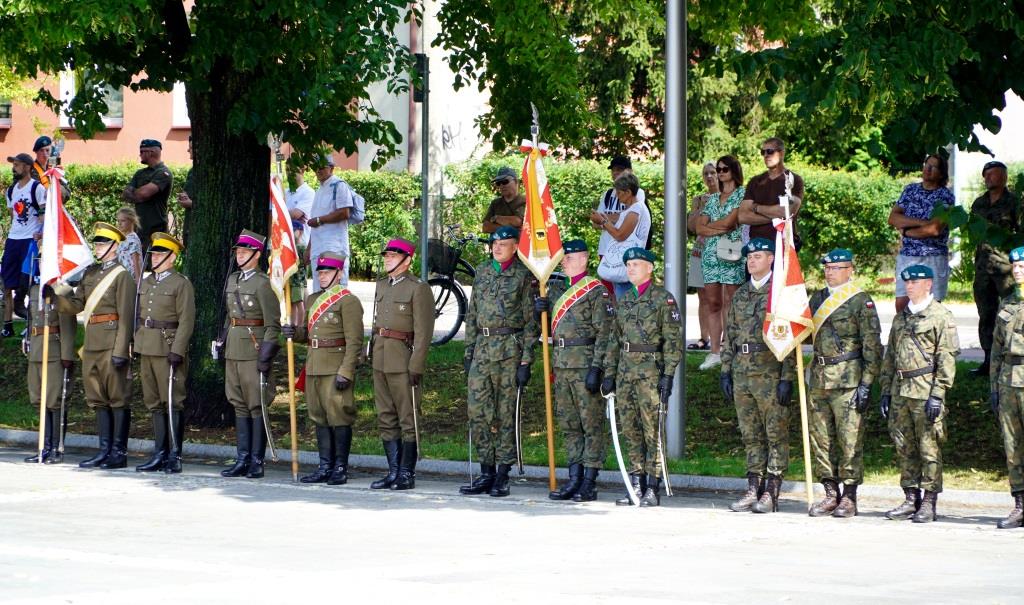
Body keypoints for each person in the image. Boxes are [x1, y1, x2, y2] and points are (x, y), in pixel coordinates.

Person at [460, 226, 539, 498]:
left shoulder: (523, 275)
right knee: (478, 412)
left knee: (506, 414)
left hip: (509, 350)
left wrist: (526, 362)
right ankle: (486, 471)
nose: (496, 247)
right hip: (482, 349)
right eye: (494, 243)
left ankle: (503, 474)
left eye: (503, 243)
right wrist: (469, 352)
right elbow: (472, 314)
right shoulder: (482, 271)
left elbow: (531, 323)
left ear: (515, 247)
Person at [720, 238, 796, 514]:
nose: (752, 261)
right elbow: (729, 334)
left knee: (775, 433)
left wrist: (787, 377)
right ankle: (753, 488)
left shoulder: (781, 293)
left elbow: (790, 338)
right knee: (750, 434)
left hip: (770, 372)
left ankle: (772, 491)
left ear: (771, 259)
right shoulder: (741, 293)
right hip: (742, 372)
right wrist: (725, 370)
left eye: (758, 257)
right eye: (749, 258)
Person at [534, 239, 614, 502]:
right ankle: (574, 477)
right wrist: (539, 313)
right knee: (569, 424)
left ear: (584, 259)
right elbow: (547, 329)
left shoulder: (595, 291)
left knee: (591, 425)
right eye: (563, 258)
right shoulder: (557, 290)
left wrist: (597, 368)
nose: (564, 262)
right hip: (562, 365)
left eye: (569, 258)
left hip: (584, 365)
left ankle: (589, 480)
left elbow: (605, 333)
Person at [603, 247, 682, 507]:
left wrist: (668, 374)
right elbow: (614, 340)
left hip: (651, 372)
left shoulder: (662, 299)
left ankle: (653, 485)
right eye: (628, 265)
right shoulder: (624, 300)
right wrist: (609, 373)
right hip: (625, 373)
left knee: (652, 430)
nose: (631, 269)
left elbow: (672, 341)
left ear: (649, 268)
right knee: (631, 429)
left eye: (636, 264)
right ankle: (635, 483)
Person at [879, 264, 959, 523]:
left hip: (925, 390)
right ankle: (910, 497)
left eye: (915, 282)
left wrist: (938, 394)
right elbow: (890, 356)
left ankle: (929, 500)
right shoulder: (901, 317)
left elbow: (946, 358)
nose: (909, 286)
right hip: (900, 390)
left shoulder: (940, 316)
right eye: (907, 282)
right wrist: (886, 391)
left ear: (928, 284)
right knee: (904, 445)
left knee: (929, 446)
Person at [52, 223, 136, 469]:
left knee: (117, 398)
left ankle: (118, 453)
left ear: (114, 247)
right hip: (92, 343)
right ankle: (103, 450)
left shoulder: (122, 276)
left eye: (102, 244)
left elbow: (126, 316)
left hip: (111, 343)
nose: (97, 248)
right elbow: (77, 305)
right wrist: (55, 296)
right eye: (97, 244)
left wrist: (121, 350)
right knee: (97, 398)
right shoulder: (90, 273)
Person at [806, 249, 883, 517]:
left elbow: (872, 345)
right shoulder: (817, 298)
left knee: (850, 440)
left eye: (836, 268)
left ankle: (849, 496)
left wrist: (867, 383)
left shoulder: (860, 301)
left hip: (848, 379)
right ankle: (830, 494)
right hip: (819, 378)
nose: (830, 272)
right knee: (821, 439)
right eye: (827, 268)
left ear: (850, 270)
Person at [282, 252, 363, 485]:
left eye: (327, 272)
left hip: (335, 367)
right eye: (320, 272)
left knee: (339, 416)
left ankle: (340, 467)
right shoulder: (313, 299)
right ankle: (325, 466)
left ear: (339, 273)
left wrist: (346, 371)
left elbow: (354, 342)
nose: (323, 276)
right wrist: (294, 332)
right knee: (319, 417)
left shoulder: (348, 301)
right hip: (314, 365)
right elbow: (309, 334)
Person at [367, 238, 434, 491]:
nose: (388, 259)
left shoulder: (418, 288)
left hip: (403, 361)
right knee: (385, 416)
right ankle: (393, 471)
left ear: (407, 260)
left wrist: (416, 365)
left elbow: (423, 332)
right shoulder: (382, 285)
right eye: (386, 255)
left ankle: (406, 473)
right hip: (381, 359)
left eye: (393, 256)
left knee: (408, 418)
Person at [218, 230, 281, 480]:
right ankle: (242, 458)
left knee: (256, 405)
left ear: (256, 255)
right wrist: (222, 339)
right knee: (238, 403)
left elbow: (273, 324)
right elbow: (230, 315)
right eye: (238, 251)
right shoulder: (233, 279)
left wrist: (266, 354)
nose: (240, 255)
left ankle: (256, 460)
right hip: (234, 348)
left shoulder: (263, 284)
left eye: (245, 251)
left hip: (253, 350)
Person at [133, 233, 195, 474]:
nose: (155, 258)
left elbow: (186, 320)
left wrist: (178, 349)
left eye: (160, 254)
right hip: (147, 346)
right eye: (154, 254)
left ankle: (174, 454)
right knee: (153, 401)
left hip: (167, 348)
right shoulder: (147, 282)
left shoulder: (181, 284)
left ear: (172, 258)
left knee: (172, 401)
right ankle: (159, 453)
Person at [22, 257, 77, 463]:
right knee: (38, 398)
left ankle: (56, 448)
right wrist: (27, 340)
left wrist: (67, 354)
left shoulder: (63, 291)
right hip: (37, 350)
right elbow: (31, 321)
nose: (42, 264)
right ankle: (43, 446)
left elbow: (68, 326)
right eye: (41, 261)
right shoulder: (35, 290)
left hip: (54, 351)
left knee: (55, 400)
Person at [695, 155, 746, 371]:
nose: (721, 173)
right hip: (710, 254)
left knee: (732, 302)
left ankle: (731, 349)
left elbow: (730, 223)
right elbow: (699, 227)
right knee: (713, 302)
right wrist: (720, 228)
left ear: (734, 171)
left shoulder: (742, 194)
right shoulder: (713, 198)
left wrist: (713, 227)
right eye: (719, 169)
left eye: (725, 169)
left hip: (732, 251)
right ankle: (714, 352)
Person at [887, 154, 956, 313]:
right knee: (902, 304)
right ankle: (905, 330)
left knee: (931, 307)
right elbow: (893, 218)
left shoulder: (945, 196)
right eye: (926, 164)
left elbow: (934, 230)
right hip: (908, 255)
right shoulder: (910, 190)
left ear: (941, 173)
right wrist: (923, 222)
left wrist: (906, 231)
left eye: (933, 167)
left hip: (933, 257)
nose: (928, 169)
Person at [970, 160, 1020, 377]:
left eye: (994, 174)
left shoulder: (1015, 203)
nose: (989, 178)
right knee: (986, 313)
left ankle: (1012, 357)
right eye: (987, 174)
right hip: (983, 268)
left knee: (1012, 313)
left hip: (1006, 269)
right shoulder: (978, 204)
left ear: (1004, 177)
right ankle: (988, 360)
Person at [991, 246, 1024, 529]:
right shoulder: (1007, 303)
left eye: (1022, 266)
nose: (1017, 270)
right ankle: (1020, 504)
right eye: (1015, 266)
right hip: (1008, 381)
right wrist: (994, 387)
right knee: (1012, 446)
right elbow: (996, 350)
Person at [591, 155, 648, 294]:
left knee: (624, 297)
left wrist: (603, 221)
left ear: (628, 192)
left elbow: (620, 235)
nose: (616, 195)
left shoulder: (636, 209)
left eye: (619, 192)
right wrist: (608, 220)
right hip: (614, 254)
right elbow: (599, 223)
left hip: (628, 258)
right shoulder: (630, 209)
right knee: (614, 294)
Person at [4, 152, 46, 337]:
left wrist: (41, 233)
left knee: (28, 283)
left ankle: (31, 325)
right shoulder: (10, 190)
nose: (14, 168)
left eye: (17, 165)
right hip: (13, 240)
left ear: (28, 167)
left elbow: (44, 214)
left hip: (30, 241)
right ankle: (7, 326)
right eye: (13, 165)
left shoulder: (37, 188)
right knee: (6, 283)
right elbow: (13, 215)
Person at [738, 137, 805, 245]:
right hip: (756, 244)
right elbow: (742, 216)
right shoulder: (755, 181)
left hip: (784, 243)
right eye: (763, 152)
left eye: (770, 151)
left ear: (781, 153)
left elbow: (787, 211)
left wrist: (756, 208)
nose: (765, 155)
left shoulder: (794, 180)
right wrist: (776, 219)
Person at [686, 162, 719, 351]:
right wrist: (702, 208)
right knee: (703, 297)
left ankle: (722, 338)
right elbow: (692, 226)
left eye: (713, 172)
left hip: (721, 250)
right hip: (700, 249)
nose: (709, 176)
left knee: (721, 296)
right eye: (706, 173)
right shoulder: (698, 199)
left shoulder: (729, 197)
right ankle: (704, 337)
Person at [307, 156, 353, 292]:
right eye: (316, 167)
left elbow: (344, 212)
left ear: (331, 168)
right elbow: (313, 224)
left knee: (335, 290)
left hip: (334, 248)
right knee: (318, 291)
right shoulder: (319, 190)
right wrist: (309, 248)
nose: (318, 170)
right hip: (317, 248)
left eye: (322, 167)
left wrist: (319, 220)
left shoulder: (339, 185)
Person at [123, 139, 173, 249]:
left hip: (157, 229)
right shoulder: (139, 173)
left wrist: (136, 193)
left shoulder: (163, 173)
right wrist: (139, 195)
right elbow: (126, 194)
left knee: (155, 259)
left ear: (151, 152)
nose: (139, 155)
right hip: (139, 229)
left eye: (142, 152)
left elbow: (143, 194)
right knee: (139, 259)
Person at [481, 166, 526, 234]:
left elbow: (518, 221)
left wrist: (496, 218)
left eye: (505, 182)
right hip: (497, 241)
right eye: (498, 183)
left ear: (516, 181)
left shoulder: (525, 201)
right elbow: (485, 227)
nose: (501, 186)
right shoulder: (495, 203)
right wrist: (511, 229)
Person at [29, 135, 70, 201]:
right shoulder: (31, 170)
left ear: (51, 150)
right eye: (41, 150)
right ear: (36, 152)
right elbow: (36, 195)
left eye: (47, 150)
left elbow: (68, 193)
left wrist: (60, 189)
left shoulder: (54, 167)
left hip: (56, 206)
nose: (45, 154)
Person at [286, 164, 315, 248]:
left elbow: (295, 214)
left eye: (292, 169)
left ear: (302, 170)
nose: (289, 173)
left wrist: (278, 213)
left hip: (300, 245)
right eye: (287, 170)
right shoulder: (285, 192)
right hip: (284, 243)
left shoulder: (308, 192)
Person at [115, 207, 144, 281]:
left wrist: (138, 283)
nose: (120, 224)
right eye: (118, 221)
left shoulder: (132, 239)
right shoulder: (122, 238)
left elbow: (136, 263)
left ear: (132, 221)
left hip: (130, 280)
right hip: (122, 278)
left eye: (123, 221)